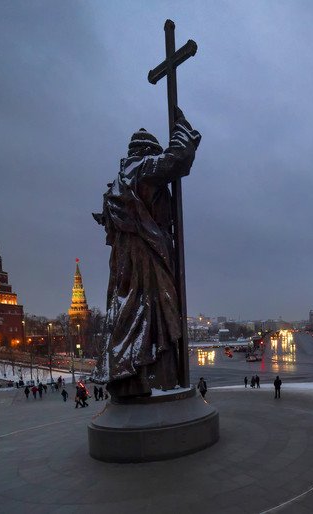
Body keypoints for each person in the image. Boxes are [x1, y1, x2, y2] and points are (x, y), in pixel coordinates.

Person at [92, 108, 201, 398]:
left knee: (129, 314)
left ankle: (131, 378)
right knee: (153, 310)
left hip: (124, 263)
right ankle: (154, 377)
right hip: (148, 255)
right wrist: (182, 127)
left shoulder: (116, 184)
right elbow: (179, 158)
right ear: (148, 153)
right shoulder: (141, 169)